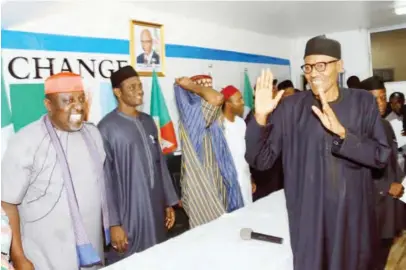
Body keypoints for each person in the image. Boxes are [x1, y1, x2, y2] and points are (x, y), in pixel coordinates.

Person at [245, 35, 391, 270]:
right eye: (308, 66)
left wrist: (343, 135)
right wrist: (260, 117)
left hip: (352, 217)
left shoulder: (363, 102)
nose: (313, 73)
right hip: (309, 218)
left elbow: (381, 156)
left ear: (340, 66)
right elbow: (260, 160)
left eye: (321, 65)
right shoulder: (290, 108)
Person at [1, 72, 110, 270]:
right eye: (67, 100)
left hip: (92, 247)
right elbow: (7, 204)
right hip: (45, 254)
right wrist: (18, 257)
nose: (77, 106)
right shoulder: (25, 141)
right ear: (48, 105)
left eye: (81, 99)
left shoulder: (93, 134)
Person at [98, 65, 178, 264]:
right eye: (132, 87)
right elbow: (105, 180)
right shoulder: (106, 128)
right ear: (117, 92)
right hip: (129, 213)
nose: (139, 90)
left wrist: (168, 202)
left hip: (155, 207)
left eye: (140, 86)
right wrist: (114, 224)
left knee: (159, 257)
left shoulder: (148, 121)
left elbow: (160, 165)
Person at [174, 75, 245, 228]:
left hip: (220, 186)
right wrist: (194, 87)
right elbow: (217, 98)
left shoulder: (211, 117)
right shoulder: (194, 116)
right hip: (206, 190)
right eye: (205, 88)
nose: (209, 90)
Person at [361, 76, 405, 269]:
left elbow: (392, 160)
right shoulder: (357, 130)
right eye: (375, 98)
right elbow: (357, 170)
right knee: (370, 255)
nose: (380, 103)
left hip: (391, 201)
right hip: (371, 204)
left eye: (383, 97)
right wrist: (387, 186)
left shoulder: (386, 125)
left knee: (384, 249)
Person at [220, 85, 254, 205]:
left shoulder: (241, 123)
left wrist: (250, 178)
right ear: (228, 104)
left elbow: (245, 154)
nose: (243, 102)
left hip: (244, 180)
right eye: (239, 99)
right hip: (228, 184)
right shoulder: (219, 126)